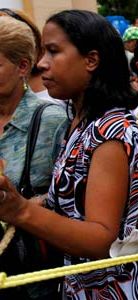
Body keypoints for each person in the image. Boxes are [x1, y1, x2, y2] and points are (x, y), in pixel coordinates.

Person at [0, 10, 138, 299]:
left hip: (117, 288)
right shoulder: (81, 120)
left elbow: (100, 238)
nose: (41, 64)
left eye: (53, 52)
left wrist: (20, 210)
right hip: (82, 284)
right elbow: (72, 205)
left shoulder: (110, 132)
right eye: (43, 52)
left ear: (91, 60)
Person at [0, 15, 68, 299]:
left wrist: (23, 205)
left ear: (23, 67)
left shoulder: (51, 121)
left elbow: (71, 199)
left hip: (31, 278)